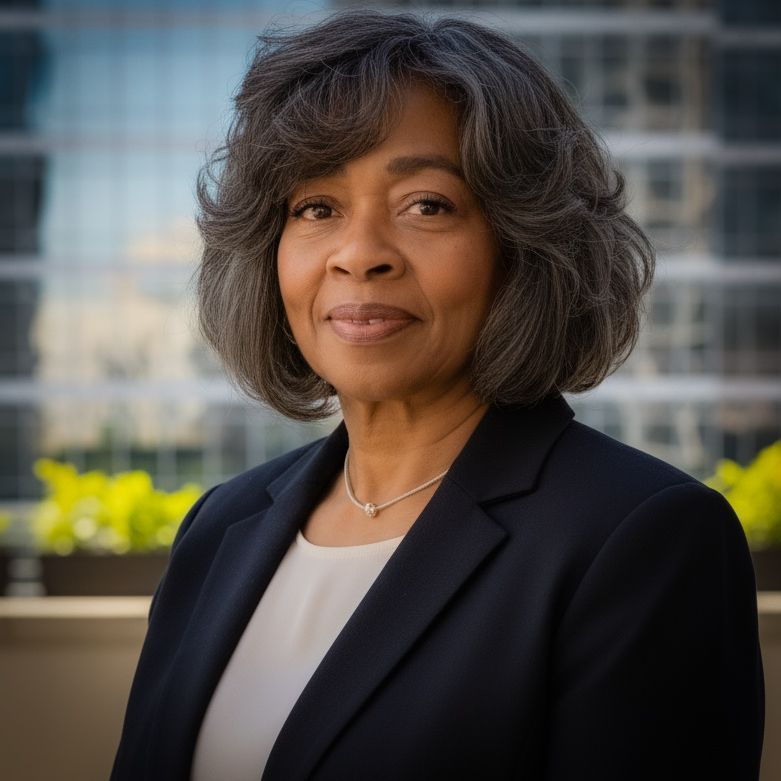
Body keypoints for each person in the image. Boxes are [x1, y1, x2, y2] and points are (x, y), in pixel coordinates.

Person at [110, 10, 764, 781]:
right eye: (316, 208)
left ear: (522, 245)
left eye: (426, 204)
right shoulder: (221, 524)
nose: (359, 256)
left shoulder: (642, 539)